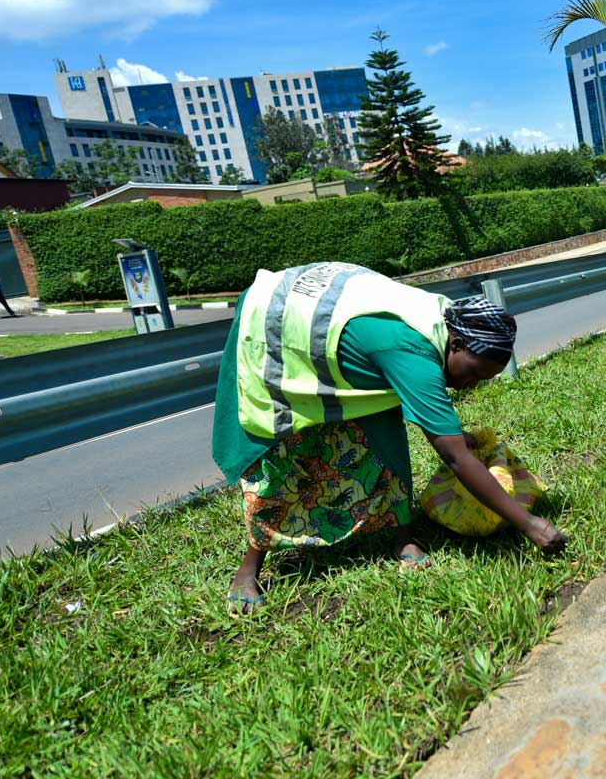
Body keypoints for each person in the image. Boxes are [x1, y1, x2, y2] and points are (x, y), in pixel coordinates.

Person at [212, 261, 567, 614]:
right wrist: (531, 525)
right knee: (283, 454)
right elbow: (456, 458)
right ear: (455, 344)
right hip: (277, 325)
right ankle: (249, 568)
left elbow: (446, 433)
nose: (471, 385)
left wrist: (455, 433)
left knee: (385, 434)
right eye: (474, 375)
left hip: (332, 315)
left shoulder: (449, 321)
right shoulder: (412, 354)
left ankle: (403, 539)